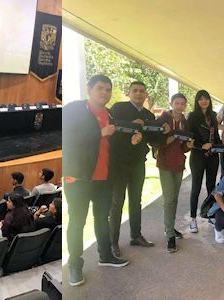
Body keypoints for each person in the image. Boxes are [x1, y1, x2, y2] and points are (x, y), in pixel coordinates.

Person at [64, 75, 128, 287]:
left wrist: (132, 140)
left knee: (102, 219)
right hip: (78, 178)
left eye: (108, 89)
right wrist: (98, 132)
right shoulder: (74, 110)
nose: (105, 93)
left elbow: (111, 145)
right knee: (77, 223)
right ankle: (74, 265)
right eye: (100, 88)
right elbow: (67, 137)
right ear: (89, 89)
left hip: (103, 179)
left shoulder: (110, 114)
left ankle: (105, 255)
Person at [108, 81, 157, 256]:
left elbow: (153, 138)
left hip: (138, 163)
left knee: (136, 201)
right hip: (119, 164)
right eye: (135, 91)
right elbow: (111, 130)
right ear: (129, 93)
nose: (138, 94)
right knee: (116, 203)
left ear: (146, 94)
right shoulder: (118, 108)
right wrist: (131, 124)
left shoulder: (149, 114)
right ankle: (112, 242)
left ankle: (136, 235)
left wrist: (163, 130)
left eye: (142, 91)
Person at [154, 93, 193, 253]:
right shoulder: (163, 118)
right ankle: (169, 235)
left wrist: (188, 147)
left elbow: (183, 146)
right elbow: (153, 141)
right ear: (171, 103)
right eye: (177, 103)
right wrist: (166, 139)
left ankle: (170, 227)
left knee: (174, 199)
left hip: (179, 164)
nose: (179, 106)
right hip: (165, 164)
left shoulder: (185, 122)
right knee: (168, 199)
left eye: (182, 104)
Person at [187, 90, 221, 233]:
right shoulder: (192, 116)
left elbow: (216, 137)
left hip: (213, 156)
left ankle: (210, 214)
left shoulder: (213, 116)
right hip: (198, 156)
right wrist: (202, 145)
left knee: (211, 187)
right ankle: (193, 218)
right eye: (200, 99)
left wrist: (222, 146)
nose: (204, 101)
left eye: (206, 98)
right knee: (196, 187)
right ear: (197, 101)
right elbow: (190, 137)